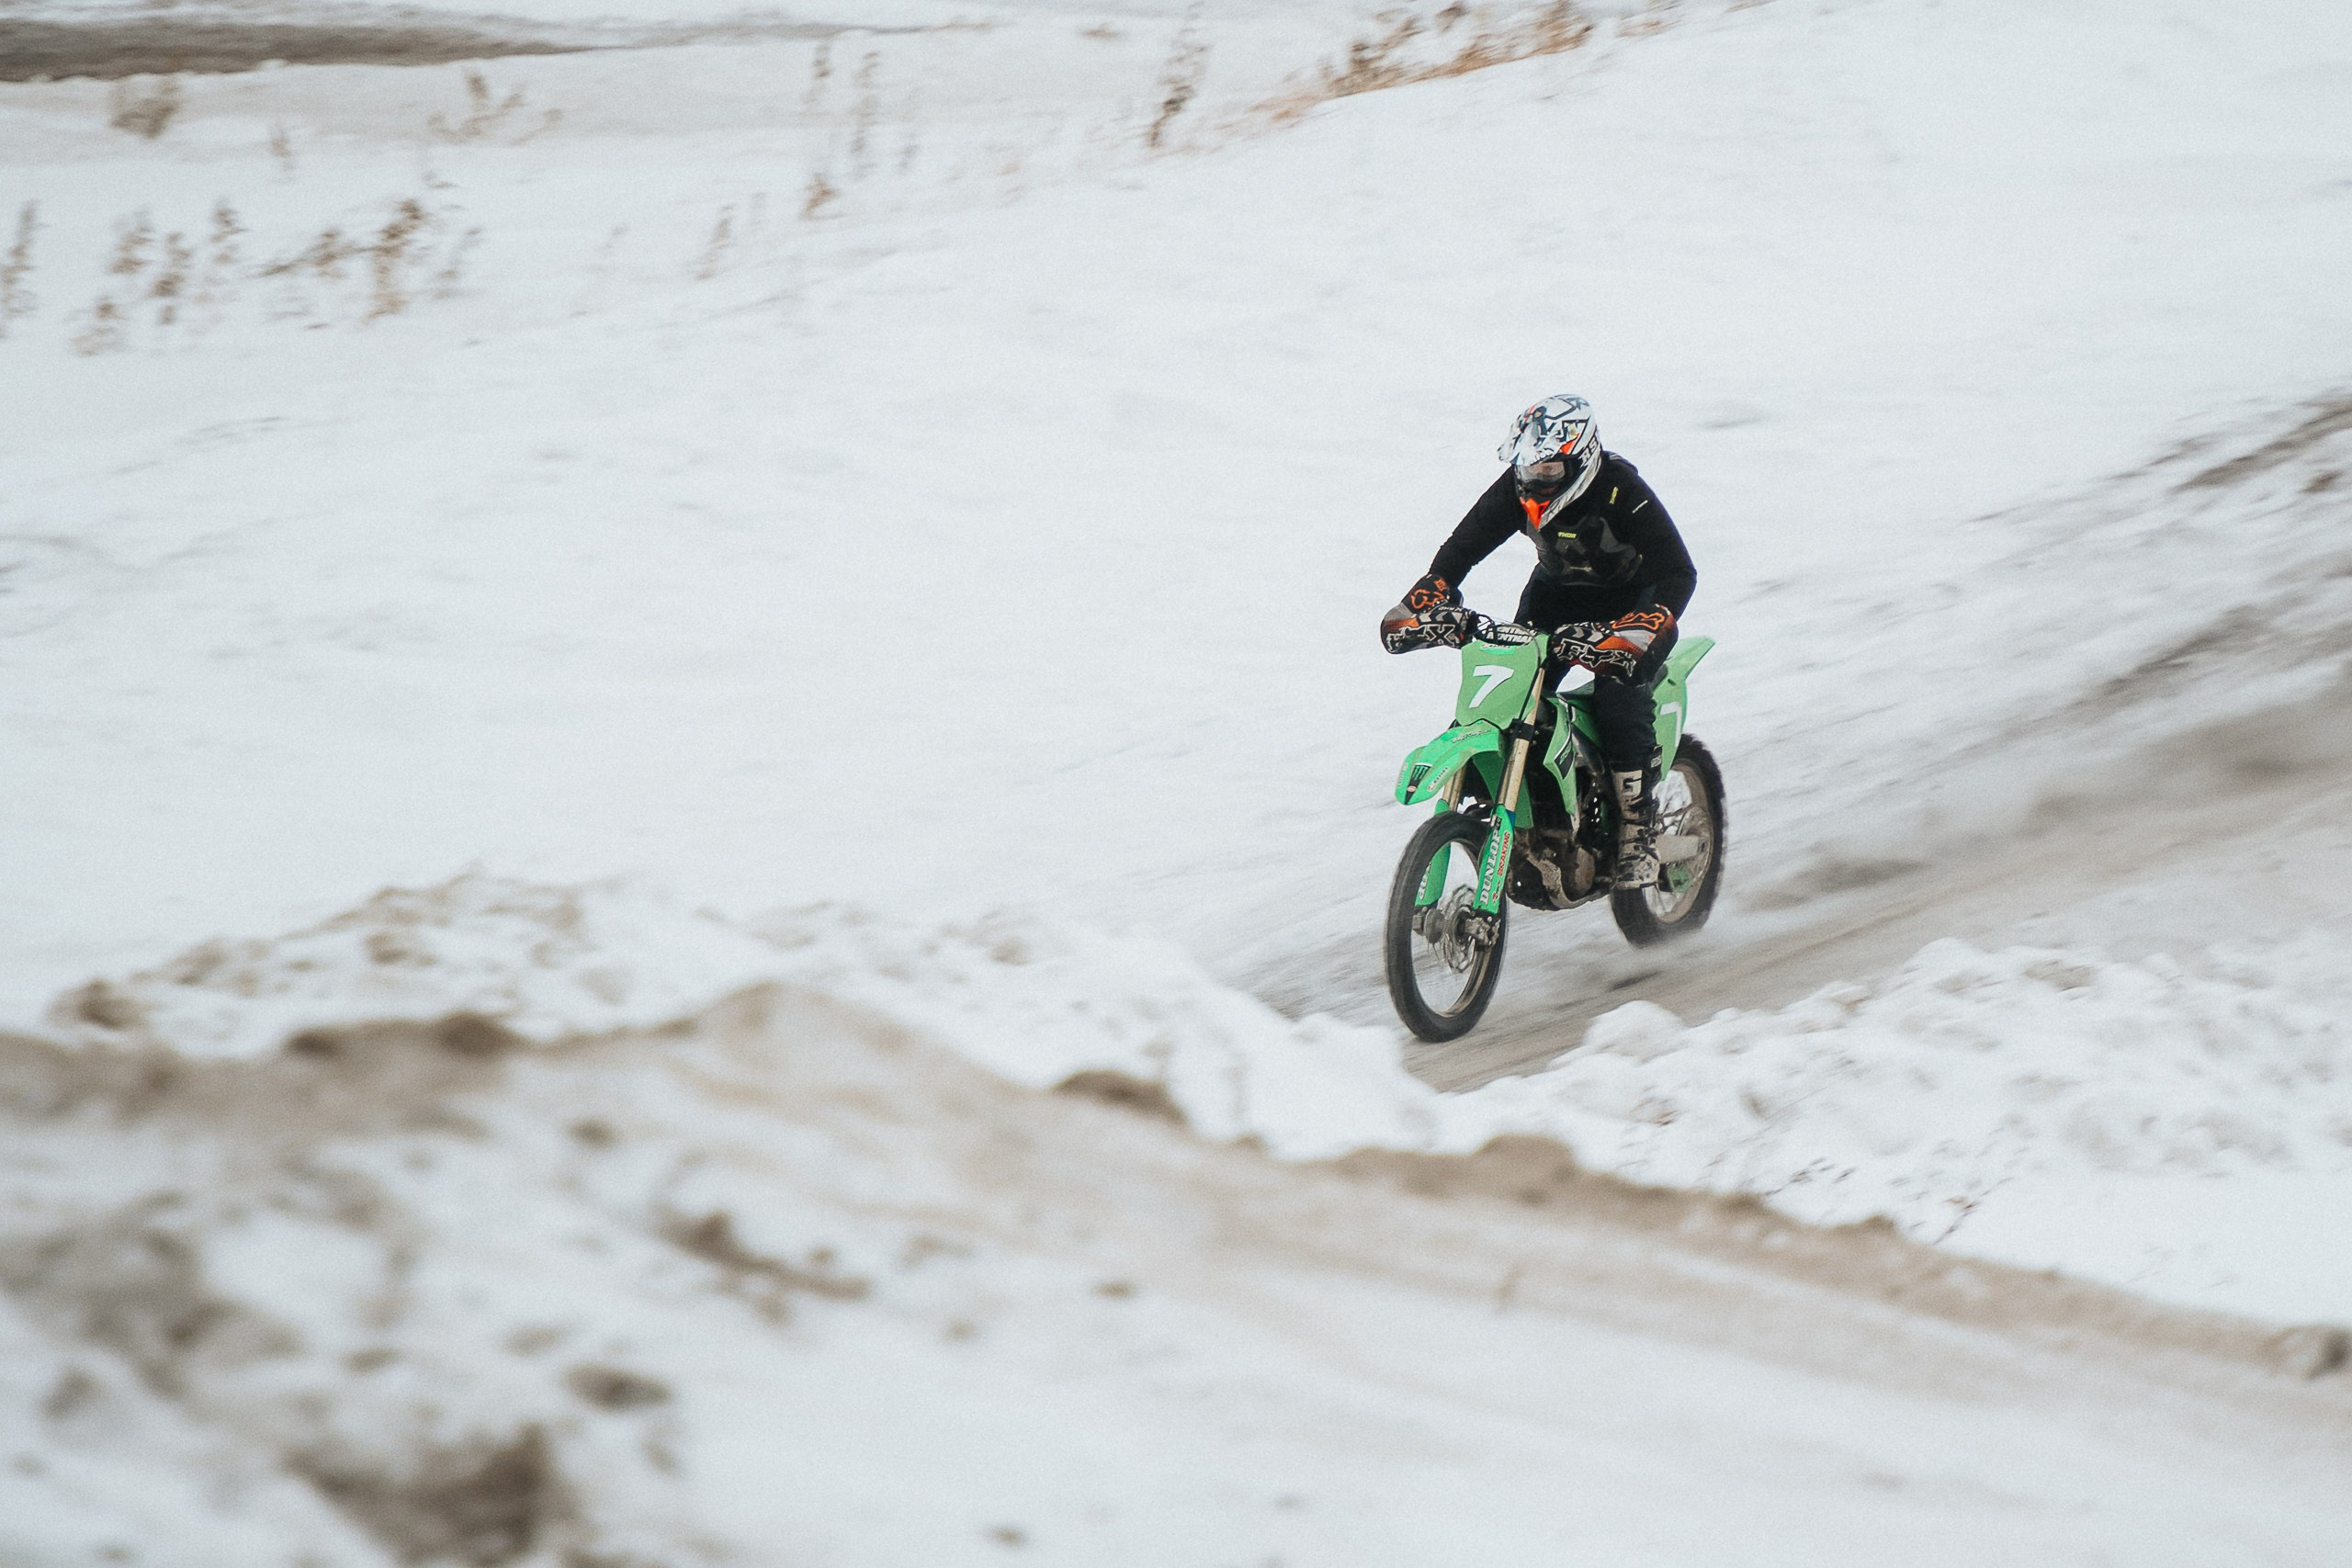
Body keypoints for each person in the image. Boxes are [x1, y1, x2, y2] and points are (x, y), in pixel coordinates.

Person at [1380, 394, 1697, 889]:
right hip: (1556, 597)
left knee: (1616, 693)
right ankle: (1535, 806)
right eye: (1528, 467)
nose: (1535, 478)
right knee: (1512, 688)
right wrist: (1429, 594)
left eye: (1548, 468)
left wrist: (1645, 624)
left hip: (1632, 602)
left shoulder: (1621, 488)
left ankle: (1636, 826)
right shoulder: (1517, 487)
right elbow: (1462, 547)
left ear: (1582, 459)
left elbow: (1680, 571)